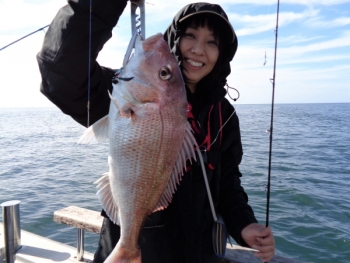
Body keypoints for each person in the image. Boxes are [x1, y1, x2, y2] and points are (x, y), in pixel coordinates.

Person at [37, 1, 275, 262]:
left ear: (223, 54)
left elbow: (228, 183)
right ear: (176, 38)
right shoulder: (122, 92)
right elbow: (60, 72)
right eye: (190, 35)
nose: (198, 49)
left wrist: (244, 225)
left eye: (212, 42)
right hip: (133, 249)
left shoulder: (223, 115)